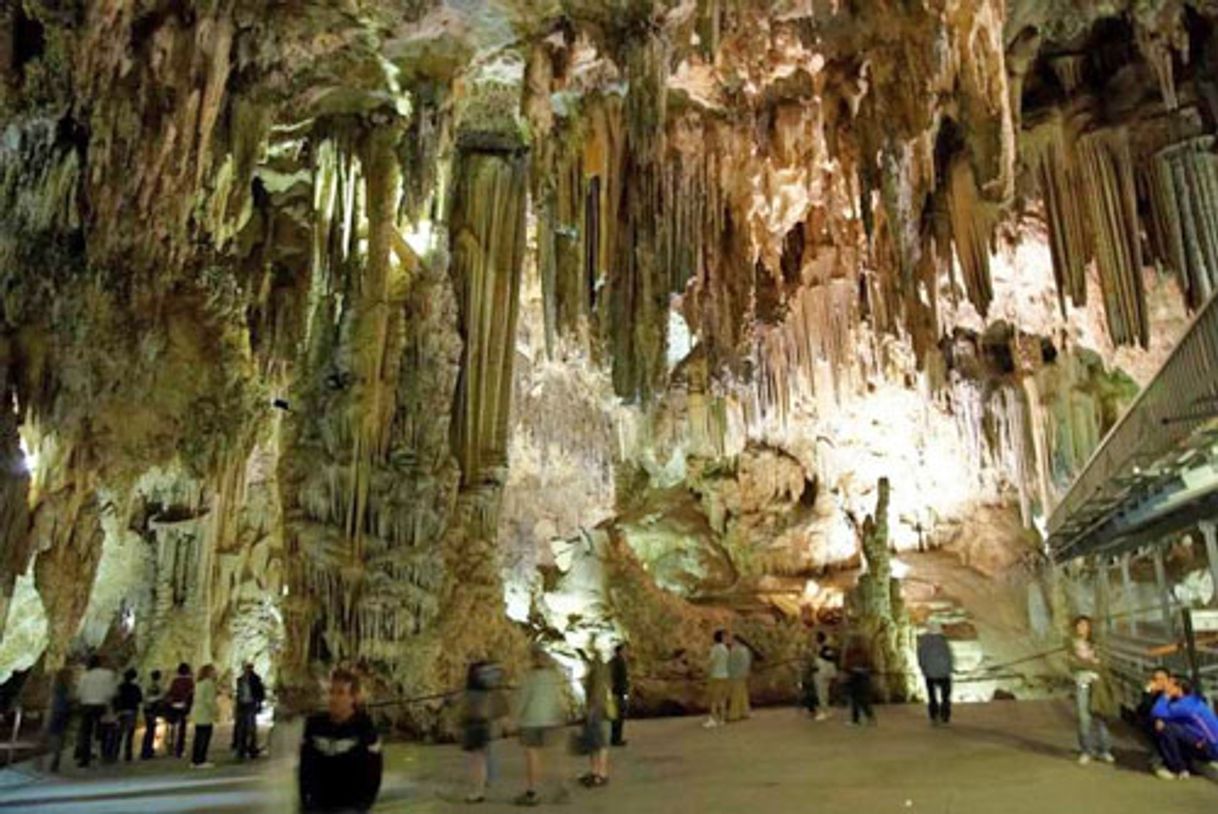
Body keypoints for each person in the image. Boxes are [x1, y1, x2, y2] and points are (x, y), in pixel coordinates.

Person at [299, 668, 383, 812]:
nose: (333, 698)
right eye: (331, 692)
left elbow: (374, 773)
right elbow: (305, 768)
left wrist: (361, 806)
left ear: (353, 698)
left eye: (340, 693)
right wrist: (306, 803)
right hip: (318, 806)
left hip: (349, 807)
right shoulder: (314, 725)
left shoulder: (364, 728)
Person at [514, 645, 565, 807]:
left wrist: (514, 717)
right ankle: (561, 789)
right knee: (553, 756)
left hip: (531, 720)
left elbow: (523, 700)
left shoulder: (529, 678)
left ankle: (532, 791)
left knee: (532, 756)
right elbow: (558, 699)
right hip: (551, 720)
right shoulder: (553, 677)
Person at [1067, 615, 1115, 765]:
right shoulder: (1070, 643)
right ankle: (1086, 750)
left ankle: (1104, 750)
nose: (1082, 628)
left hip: (1098, 684)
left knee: (1099, 716)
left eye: (1085, 625)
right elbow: (1072, 664)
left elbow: (1104, 663)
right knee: (1083, 718)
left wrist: (1087, 663)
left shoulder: (1097, 643)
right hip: (1082, 683)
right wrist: (1091, 663)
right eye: (1079, 625)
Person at [1151, 674, 1218, 780]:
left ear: (1178, 688)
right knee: (1164, 726)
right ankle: (1175, 764)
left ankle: (1179, 768)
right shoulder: (1192, 700)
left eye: (1169, 684)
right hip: (1206, 742)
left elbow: (1157, 711)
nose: (1166, 686)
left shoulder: (1184, 706)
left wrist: (1165, 696)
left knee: (1166, 728)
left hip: (1211, 748)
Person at [461, 660, 508, 803]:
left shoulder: (472, 693)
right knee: (483, 757)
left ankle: (477, 792)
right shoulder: (489, 691)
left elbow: (466, 709)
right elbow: (500, 709)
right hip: (484, 725)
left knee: (477, 760)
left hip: (474, 726)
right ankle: (483, 785)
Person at [75, 654, 117, 767]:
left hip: (87, 706)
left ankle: (85, 758)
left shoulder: (85, 676)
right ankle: (105, 755)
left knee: (86, 733)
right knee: (104, 731)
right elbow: (112, 692)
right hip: (102, 705)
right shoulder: (108, 675)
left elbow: (79, 693)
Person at [578, 654, 614, 788]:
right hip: (600, 709)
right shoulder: (602, 669)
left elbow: (597, 691)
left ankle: (600, 774)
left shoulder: (597, 670)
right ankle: (596, 772)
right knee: (596, 742)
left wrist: (591, 709)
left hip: (597, 710)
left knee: (599, 742)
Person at [916, 622, 954, 726]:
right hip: (944, 673)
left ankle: (934, 716)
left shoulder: (923, 641)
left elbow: (921, 657)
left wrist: (924, 669)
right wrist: (950, 669)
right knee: (945, 696)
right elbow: (948, 656)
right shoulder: (942, 640)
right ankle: (945, 716)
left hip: (930, 673)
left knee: (932, 696)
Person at [1137, 667, 1172, 774]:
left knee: (1159, 728)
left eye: (1162, 679)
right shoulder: (1154, 694)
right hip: (1159, 724)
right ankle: (1158, 763)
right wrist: (1147, 692)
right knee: (1151, 725)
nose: (1159, 682)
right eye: (1156, 679)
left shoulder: (1172, 691)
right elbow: (1144, 709)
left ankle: (1162, 762)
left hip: (1173, 723)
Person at [233, 662, 266, 760]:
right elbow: (239, 694)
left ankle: (252, 749)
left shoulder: (255, 679)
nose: (247, 670)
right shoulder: (240, 680)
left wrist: (258, 703)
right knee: (241, 728)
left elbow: (260, 692)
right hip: (242, 705)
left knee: (251, 728)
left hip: (251, 704)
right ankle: (241, 750)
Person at [842, 634, 876, 726]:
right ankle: (856, 719)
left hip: (861, 677)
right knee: (855, 699)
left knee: (862, 699)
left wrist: (861, 670)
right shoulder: (851, 653)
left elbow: (871, 666)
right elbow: (846, 665)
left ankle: (868, 717)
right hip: (854, 677)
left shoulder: (863, 654)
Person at [44, 667, 73, 773]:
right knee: (58, 736)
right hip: (60, 712)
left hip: (59, 712)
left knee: (57, 735)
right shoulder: (62, 687)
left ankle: (56, 757)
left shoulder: (59, 686)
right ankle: (55, 757)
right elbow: (66, 699)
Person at [164, 663, 195, 759]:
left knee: (172, 727)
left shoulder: (175, 681)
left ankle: (171, 745)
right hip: (184, 707)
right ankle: (179, 749)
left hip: (174, 706)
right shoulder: (190, 681)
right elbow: (191, 694)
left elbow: (170, 693)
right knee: (182, 728)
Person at [190, 664, 218, 769]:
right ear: (209, 672)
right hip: (205, 713)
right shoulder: (209, 684)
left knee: (198, 737)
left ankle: (195, 760)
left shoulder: (199, 683)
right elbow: (209, 700)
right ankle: (201, 760)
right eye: (213, 671)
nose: (215, 673)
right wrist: (215, 712)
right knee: (205, 737)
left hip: (197, 712)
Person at [114, 668, 144, 762]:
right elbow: (140, 699)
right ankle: (128, 754)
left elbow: (116, 698)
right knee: (130, 734)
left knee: (119, 733)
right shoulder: (135, 688)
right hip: (132, 711)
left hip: (121, 711)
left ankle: (115, 753)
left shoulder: (120, 687)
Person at [703, 630, 731, 729]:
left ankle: (713, 719)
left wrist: (706, 671)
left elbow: (711, 661)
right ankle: (722, 719)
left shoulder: (715, 648)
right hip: (725, 675)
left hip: (716, 675)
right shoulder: (726, 649)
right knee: (722, 698)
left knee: (714, 699)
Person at [812, 631, 839, 721]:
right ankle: (826, 710)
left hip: (822, 672)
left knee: (822, 692)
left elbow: (828, 658)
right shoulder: (823, 648)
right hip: (823, 672)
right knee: (824, 692)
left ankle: (824, 711)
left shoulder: (825, 648)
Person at [726, 637, 753, 723]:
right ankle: (745, 711)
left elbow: (731, 663)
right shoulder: (744, 650)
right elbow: (746, 663)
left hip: (736, 675)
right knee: (742, 693)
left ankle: (734, 714)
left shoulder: (735, 650)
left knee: (736, 694)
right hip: (741, 674)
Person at [140, 669, 164, 759]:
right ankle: (146, 751)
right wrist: (159, 697)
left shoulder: (150, 685)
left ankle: (147, 750)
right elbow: (150, 698)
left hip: (148, 709)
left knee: (150, 730)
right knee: (150, 730)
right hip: (151, 709)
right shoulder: (154, 686)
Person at [609, 644, 629, 747]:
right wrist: (624, 693)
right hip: (619, 693)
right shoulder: (619, 662)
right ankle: (616, 739)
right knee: (619, 717)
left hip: (616, 693)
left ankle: (615, 738)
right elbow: (620, 679)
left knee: (616, 717)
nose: (626, 652)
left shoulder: (613, 662)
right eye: (625, 650)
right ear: (620, 651)